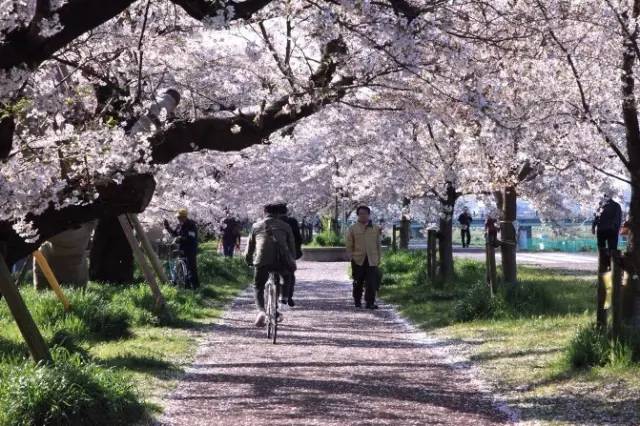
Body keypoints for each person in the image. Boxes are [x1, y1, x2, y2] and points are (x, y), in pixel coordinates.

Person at [245, 203, 297, 327]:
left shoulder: (256, 226)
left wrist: (248, 260)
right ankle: (283, 297)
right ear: (278, 213)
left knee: (258, 286)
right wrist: (292, 259)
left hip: (262, 261)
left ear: (264, 212)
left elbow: (249, 248)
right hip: (281, 261)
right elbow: (292, 248)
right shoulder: (286, 226)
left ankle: (262, 311)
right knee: (287, 276)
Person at [346, 205, 382, 309]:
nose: (363, 216)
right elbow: (349, 244)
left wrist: (379, 257)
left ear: (368, 214)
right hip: (358, 259)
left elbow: (378, 244)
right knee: (358, 281)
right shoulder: (353, 228)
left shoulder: (375, 228)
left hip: (372, 259)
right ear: (357, 215)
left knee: (371, 282)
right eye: (361, 214)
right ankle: (357, 301)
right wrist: (351, 255)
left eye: (365, 213)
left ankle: (370, 302)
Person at [274, 203, 303, 306]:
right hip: (290, 252)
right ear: (286, 212)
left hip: (274, 252)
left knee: (275, 274)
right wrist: (297, 250)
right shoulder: (292, 222)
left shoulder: (272, 222)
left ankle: (276, 295)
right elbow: (298, 238)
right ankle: (288, 295)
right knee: (289, 274)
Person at [164, 208, 199, 289]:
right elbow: (175, 234)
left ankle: (195, 287)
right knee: (184, 268)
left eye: (180, 217)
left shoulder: (191, 225)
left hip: (190, 249)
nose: (178, 219)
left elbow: (192, 237)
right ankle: (187, 287)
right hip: (182, 249)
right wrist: (167, 227)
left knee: (191, 268)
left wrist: (181, 238)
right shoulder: (179, 225)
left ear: (184, 217)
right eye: (178, 217)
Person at [592, 195, 623, 269]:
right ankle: (611, 266)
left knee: (601, 248)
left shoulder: (601, 205)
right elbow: (618, 219)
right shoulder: (616, 206)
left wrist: (593, 227)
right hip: (612, 231)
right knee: (612, 249)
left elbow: (596, 217)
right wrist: (616, 228)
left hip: (601, 230)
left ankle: (603, 265)